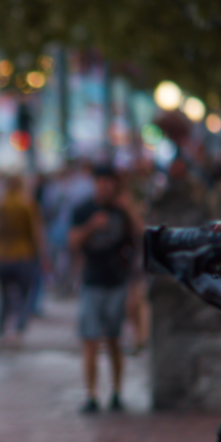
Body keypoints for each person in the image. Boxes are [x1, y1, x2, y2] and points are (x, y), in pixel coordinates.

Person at [69, 166, 143, 413]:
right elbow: (73, 242)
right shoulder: (83, 209)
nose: (104, 187)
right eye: (100, 182)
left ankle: (117, 393)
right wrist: (91, 226)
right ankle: (91, 395)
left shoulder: (121, 210)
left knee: (114, 340)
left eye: (108, 182)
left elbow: (141, 235)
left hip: (117, 281)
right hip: (92, 282)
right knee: (90, 339)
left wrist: (129, 209)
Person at [0, 175, 46, 347]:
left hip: (2, 255)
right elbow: (36, 232)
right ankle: (18, 328)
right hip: (23, 254)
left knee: (3, 296)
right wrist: (42, 254)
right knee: (24, 295)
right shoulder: (27, 204)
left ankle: (0, 330)